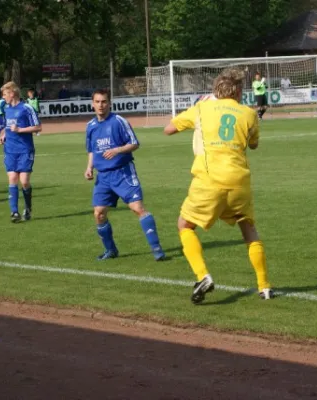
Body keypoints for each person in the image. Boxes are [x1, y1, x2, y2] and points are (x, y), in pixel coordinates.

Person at [163, 68, 273, 304]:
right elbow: (253, 145)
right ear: (239, 91)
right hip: (239, 181)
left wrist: (198, 108)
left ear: (215, 90)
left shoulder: (202, 108)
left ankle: (203, 275)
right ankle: (264, 286)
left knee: (185, 225)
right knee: (248, 228)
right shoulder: (249, 114)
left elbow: (168, 129)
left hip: (209, 180)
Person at [85, 88, 165, 262]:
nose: (100, 105)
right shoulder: (90, 126)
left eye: (104, 101)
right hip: (103, 177)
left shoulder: (118, 121)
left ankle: (156, 248)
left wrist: (117, 150)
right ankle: (111, 250)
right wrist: (89, 167)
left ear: (109, 103)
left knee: (137, 208)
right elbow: (91, 150)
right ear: (93, 104)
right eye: (97, 102)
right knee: (99, 213)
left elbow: (135, 143)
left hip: (123, 173)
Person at [0, 81, 42, 223]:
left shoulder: (26, 108)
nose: (3, 97)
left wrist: (21, 130)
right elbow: (7, 126)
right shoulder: (6, 108)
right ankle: (14, 212)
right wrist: (3, 134)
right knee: (12, 179)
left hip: (25, 150)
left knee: (24, 182)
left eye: (5, 94)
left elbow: (38, 127)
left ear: (12, 93)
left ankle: (28, 207)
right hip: (10, 149)